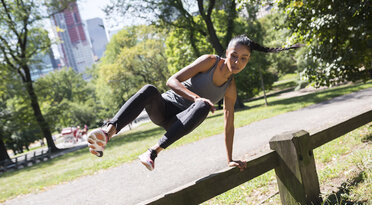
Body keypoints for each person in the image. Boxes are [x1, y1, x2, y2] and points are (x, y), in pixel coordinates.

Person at [87, 35, 301, 171]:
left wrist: (230, 159)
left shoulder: (230, 88)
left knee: (202, 107)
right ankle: (107, 132)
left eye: (243, 58)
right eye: (234, 55)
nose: (237, 62)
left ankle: (152, 152)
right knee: (150, 90)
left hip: (181, 122)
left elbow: (229, 125)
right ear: (226, 53)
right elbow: (171, 81)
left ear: (248, 61)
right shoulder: (209, 61)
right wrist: (197, 97)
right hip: (164, 109)